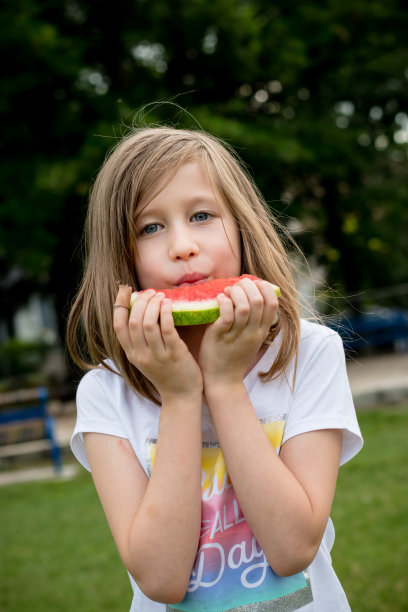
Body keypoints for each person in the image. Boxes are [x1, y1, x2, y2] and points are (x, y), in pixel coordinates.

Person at [67, 125, 363, 612]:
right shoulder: (105, 393)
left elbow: (292, 549)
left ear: (242, 227)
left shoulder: (310, 353)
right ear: (123, 257)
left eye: (202, 215)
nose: (182, 245)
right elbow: (162, 580)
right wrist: (181, 398)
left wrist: (224, 385)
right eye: (150, 227)